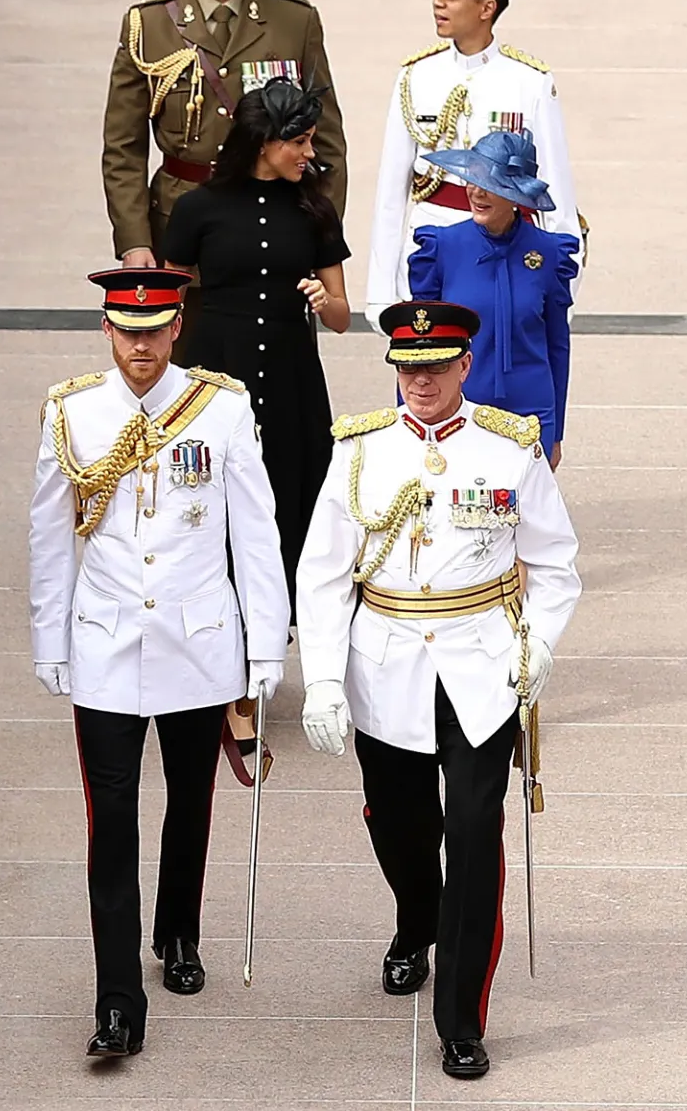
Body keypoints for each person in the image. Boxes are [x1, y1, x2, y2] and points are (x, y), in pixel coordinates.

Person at [293, 301, 582, 1081]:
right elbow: (322, 575)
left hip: (480, 669)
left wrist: (538, 644)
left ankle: (459, 1019)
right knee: (400, 826)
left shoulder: (509, 449)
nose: (419, 381)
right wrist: (322, 678)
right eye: (407, 368)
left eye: (435, 367)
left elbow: (555, 565)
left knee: (474, 834)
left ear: (463, 366)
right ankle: (416, 919)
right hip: (385, 664)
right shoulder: (359, 451)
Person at [28, 267, 289, 1059]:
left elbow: (255, 533)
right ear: (106, 331)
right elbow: (49, 532)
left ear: (176, 328)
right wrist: (49, 638)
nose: (139, 345)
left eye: (153, 330)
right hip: (105, 641)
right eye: (126, 331)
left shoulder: (222, 407)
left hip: (197, 640)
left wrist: (264, 643)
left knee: (189, 799)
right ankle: (116, 1002)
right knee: (110, 823)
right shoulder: (73, 411)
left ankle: (178, 930)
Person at [102, 0, 348, 363]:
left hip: (275, 229)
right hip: (184, 238)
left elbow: (327, 143)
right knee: (186, 378)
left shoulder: (292, 20)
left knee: (274, 374)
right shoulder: (150, 26)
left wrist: (316, 237)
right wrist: (134, 241)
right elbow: (123, 148)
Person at [164, 76, 351, 602]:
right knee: (211, 490)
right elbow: (166, 304)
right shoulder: (198, 208)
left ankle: (282, 613)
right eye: (299, 142)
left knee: (293, 488)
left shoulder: (315, 210)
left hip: (293, 373)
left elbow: (341, 317)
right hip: (217, 369)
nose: (309, 153)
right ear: (265, 142)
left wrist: (324, 300)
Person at [366, 0, 584, 328]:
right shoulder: (416, 76)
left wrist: (564, 283)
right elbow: (390, 194)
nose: (439, 3)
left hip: (506, 246)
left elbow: (555, 190)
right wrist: (381, 294)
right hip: (431, 247)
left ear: (487, 8)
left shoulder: (529, 82)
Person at [409, 129, 575, 468]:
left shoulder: (550, 253)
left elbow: (557, 346)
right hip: (459, 412)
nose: (476, 191)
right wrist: (410, 420)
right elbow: (417, 344)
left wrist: (556, 430)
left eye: (491, 182)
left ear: (516, 194)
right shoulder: (442, 248)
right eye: (473, 178)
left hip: (532, 415)